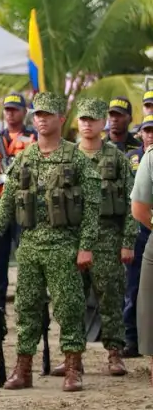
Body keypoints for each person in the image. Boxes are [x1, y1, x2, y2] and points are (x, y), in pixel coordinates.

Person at [0, 91, 99, 392]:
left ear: (61, 118)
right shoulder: (25, 158)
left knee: (69, 307)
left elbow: (93, 205)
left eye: (48, 114)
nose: (42, 119)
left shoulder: (76, 157)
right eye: (38, 114)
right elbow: (7, 202)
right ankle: (24, 369)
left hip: (65, 245)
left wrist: (86, 245)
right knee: (27, 308)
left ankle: (73, 367)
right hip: (30, 246)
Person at [69, 98, 135, 377]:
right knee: (71, 299)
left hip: (107, 237)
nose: (86, 124)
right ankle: (73, 357)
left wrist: (128, 242)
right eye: (82, 119)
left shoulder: (117, 158)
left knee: (110, 298)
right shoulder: (67, 156)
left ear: (101, 123)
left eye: (92, 120)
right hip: (71, 239)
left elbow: (133, 202)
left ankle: (115, 354)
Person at [0, 93, 37, 344]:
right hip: (0, 206)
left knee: (27, 261)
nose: (10, 114)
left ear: (24, 111)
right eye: (7, 109)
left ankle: (29, 308)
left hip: (26, 209)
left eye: (15, 109)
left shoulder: (34, 139)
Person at [124, 113, 153, 357]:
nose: (151, 134)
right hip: (139, 233)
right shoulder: (134, 158)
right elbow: (133, 206)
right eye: (147, 130)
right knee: (134, 291)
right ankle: (131, 340)